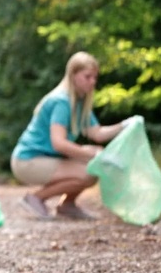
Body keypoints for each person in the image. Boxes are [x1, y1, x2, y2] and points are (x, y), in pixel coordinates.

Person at [11, 51, 133, 220]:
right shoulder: (62, 102)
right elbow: (59, 143)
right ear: (73, 76)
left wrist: (125, 125)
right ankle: (36, 198)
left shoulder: (80, 102)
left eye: (94, 77)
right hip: (28, 161)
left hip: (45, 158)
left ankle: (67, 205)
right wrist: (95, 155)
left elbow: (97, 133)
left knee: (94, 163)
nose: (93, 82)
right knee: (88, 170)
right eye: (87, 77)